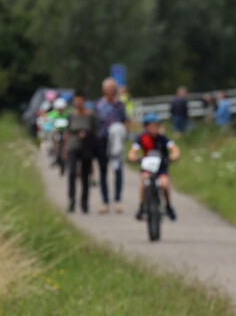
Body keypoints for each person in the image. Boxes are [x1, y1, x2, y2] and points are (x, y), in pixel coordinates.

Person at [127, 112, 181, 219]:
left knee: (165, 185)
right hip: (148, 167)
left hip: (161, 168)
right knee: (144, 181)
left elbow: (174, 149)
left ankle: (168, 206)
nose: (153, 129)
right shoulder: (142, 138)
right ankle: (142, 206)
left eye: (155, 126)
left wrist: (173, 156)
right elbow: (133, 151)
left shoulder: (163, 138)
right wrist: (133, 157)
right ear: (146, 127)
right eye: (150, 126)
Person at [96, 78, 128, 213]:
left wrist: (122, 132)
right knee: (103, 171)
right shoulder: (98, 104)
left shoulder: (120, 105)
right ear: (104, 89)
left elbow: (126, 121)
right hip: (102, 140)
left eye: (112, 87)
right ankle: (105, 202)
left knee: (118, 170)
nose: (110, 90)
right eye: (108, 87)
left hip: (117, 143)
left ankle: (118, 201)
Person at [66, 95, 99, 213]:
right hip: (73, 146)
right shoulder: (71, 115)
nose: (78, 102)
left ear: (84, 101)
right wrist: (65, 149)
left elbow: (95, 131)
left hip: (86, 147)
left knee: (85, 176)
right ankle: (71, 200)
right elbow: (67, 132)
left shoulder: (91, 115)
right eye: (76, 100)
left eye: (80, 100)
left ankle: (84, 202)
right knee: (71, 173)